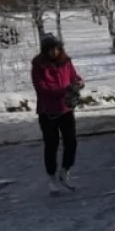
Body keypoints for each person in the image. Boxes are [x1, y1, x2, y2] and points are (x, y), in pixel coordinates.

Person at [31, 34, 84, 194]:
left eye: (56, 49)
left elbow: (74, 76)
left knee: (71, 142)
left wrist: (78, 83)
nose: (54, 52)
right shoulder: (39, 66)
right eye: (50, 50)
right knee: (51, 144)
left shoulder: (66, 62)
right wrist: (63, 90)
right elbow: (41, 88)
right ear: (44, 51)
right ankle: (52, 177)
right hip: (47, 111)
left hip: (66, 109)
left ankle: (65, 171)